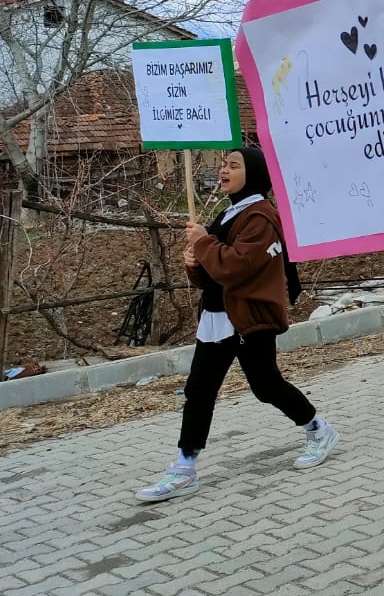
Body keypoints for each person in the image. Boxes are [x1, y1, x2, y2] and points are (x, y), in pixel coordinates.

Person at [134, 148, 338, 503]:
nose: (223, 171)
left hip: (247, 319)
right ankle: (184, 467)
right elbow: (213, 275)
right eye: (223, 165)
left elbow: (237, 268)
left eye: (233, 165)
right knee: (199, 391)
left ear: (254, 174)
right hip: (216, 318)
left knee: (266, 385)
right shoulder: (229, 213)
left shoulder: (260, 217)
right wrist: (194, 263)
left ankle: (319, 429)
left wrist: (203, 242)